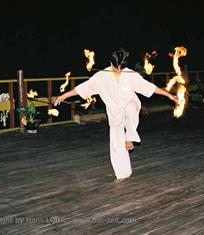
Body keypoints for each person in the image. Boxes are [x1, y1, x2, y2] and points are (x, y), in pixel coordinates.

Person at [54, 49, 178, 183]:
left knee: (130, 109)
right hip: (114, 112)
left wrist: (169, 95)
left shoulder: (131, 74)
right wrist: (63, 96)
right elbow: (82, 88)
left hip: (131, 106)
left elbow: (151, 88)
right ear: (111, 63)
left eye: (121, 67)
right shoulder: (101, 76)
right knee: (116, 142)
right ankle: (122, 173)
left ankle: (130, 137)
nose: (119, 70)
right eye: (116, 67)